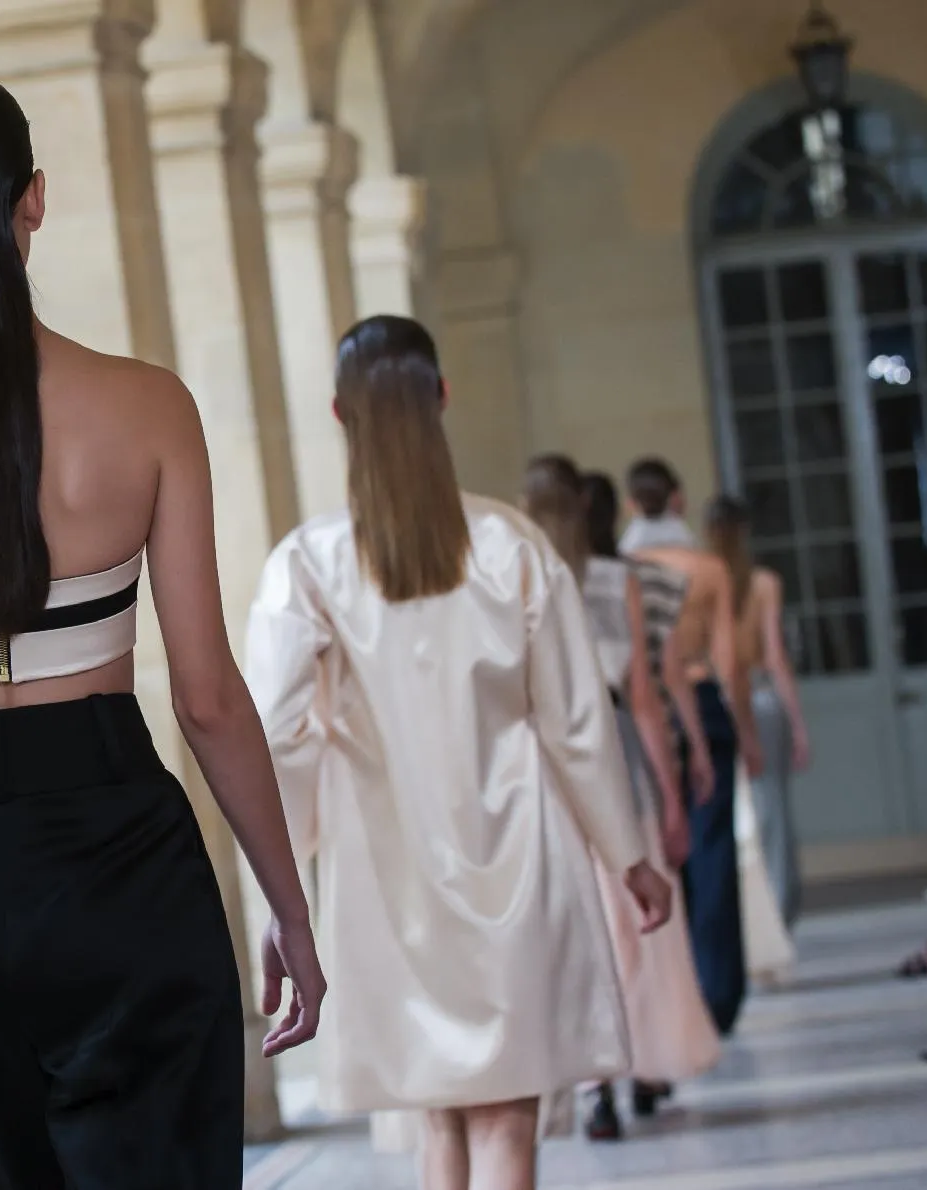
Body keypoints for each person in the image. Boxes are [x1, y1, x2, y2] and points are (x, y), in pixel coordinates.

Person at [0, 70, 325, 1188]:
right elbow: (208, 698)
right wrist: (288, 906)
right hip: (128, 864)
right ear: (34, 198)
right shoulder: (151, 405)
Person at [245, 316, 673, 1190]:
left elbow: (274, 733)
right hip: (515, 856)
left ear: (339, 413)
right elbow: (576, 720)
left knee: (437, 1120)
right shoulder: (513, 546)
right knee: (507, 1122)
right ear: (441, 397)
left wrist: (282, 883)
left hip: (385, 875)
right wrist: (628, 854)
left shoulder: (308, 564)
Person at [522, 457, 719, 1144]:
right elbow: (643, 697)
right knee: (633, 923)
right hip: (611, 753)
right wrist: (672, 792)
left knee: (575, 927)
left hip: (540, 766)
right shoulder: (615, 581)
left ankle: (593, 1084)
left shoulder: (513, 577)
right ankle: (633, 1062)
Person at [621, 458, 760, 1040]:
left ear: (632, 504)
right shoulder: (707, 568)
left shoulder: (623, 568)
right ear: (677, 500)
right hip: (699, 700)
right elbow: (728, 658)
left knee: (657, 849)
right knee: (712, 851)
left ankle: (668, 1002)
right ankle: (717, 993)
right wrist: (745, 728)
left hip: (641, 711)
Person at [706, 496, 811, 930]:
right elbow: (775, 656)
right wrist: (799, 724)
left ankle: (748, 918)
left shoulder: (702, 579)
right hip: (761, 696)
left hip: (718, 697)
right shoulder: (763, 583)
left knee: (733, 815)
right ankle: (777, 912)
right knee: (773, 812)